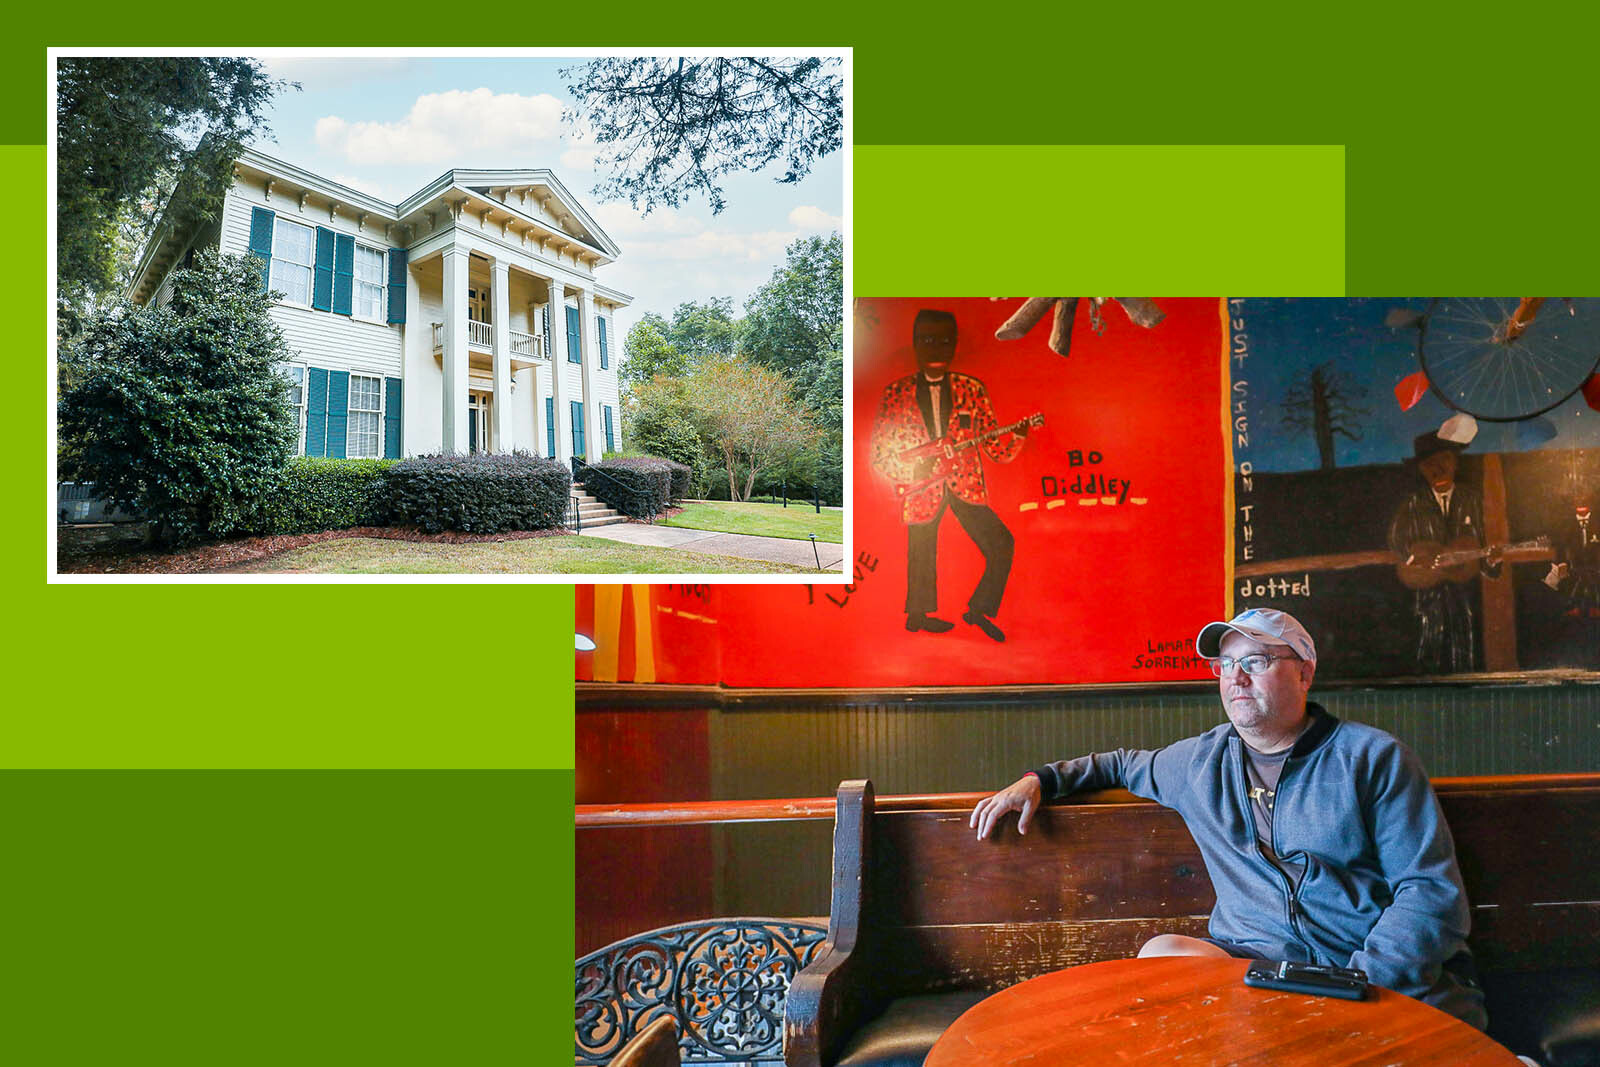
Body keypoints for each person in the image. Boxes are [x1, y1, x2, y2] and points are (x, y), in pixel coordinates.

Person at [969, 608, 1488, 1030]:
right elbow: (1120, 764)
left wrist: (1358, 981)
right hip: (1262, 973)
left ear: (1304, 672)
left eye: (1257, 660)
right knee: (1160, 953)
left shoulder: (1372, 759)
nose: (1235, 677)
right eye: (1225, 663)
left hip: (1370, 975)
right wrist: (1042, 779)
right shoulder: (1200, 762)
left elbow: (1429, 895)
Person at [869, 309, 1027, 642]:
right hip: (920, 488)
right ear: (914, 343)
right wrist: (913, 470)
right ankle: (918, 615)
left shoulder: (972, 389)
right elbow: (880, 455)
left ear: (954, 344)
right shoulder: (894, 394)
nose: (936, 348)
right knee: (921, 551)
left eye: (943, 340)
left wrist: (1020, 435)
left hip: (964, 484)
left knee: (1001, 543)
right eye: (927, 340)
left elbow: (995, 449)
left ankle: (979, 609)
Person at [1387, 432, 1502, 673]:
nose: (1438, 471)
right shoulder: (1413, 504)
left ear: (1455, 462)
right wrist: (1413, 561)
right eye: (1430, 465)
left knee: (1465, 644)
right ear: (1421, 470)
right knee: (1429, 643)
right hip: (1427, 594)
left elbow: (1483, 543)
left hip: (1465, 592)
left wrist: (1490, 562)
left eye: (1444, 461)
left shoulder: (1471, 500)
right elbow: (1396, 538)